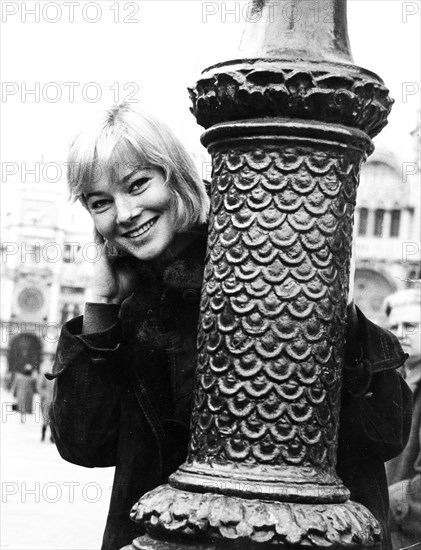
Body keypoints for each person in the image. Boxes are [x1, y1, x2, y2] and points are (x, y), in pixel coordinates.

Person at [48, 103, 411, 550]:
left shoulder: (270, 255)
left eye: (138, 185)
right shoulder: (129, 302)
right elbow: (84, 445)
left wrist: (332, 308)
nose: (123, 214)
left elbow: (386, 431)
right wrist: (100, 307)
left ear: (175, 175)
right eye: (100, 203)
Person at [385, 289, 421, 550]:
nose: (399, 332)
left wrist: (379, 502)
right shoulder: (395, 383)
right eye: (393, 326)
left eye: (410, 325)